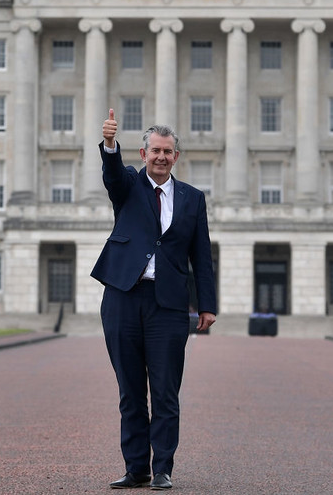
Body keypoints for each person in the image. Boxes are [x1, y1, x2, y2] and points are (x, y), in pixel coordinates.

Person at [91, 109, 217, 490]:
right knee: (130, 391)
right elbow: (112, 175)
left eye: (168, 151)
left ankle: (162, 468)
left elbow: (202, 256)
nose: (161, 157)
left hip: (168, 305)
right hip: (123, 299)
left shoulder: (193, 199)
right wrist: (110, 144)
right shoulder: (128, 185)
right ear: (143, 154)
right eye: (155, 150)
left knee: (164, 391)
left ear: (176, 157)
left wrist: (207, 304)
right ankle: (136, 469)